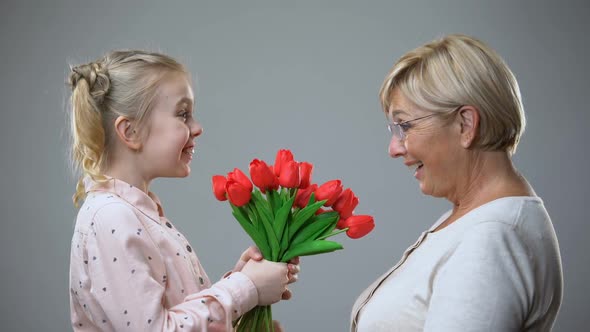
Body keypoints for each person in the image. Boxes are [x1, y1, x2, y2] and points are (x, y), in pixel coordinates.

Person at [67, 50, 299, 331]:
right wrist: (245, 288)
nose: (198, 127)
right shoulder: (110, 217)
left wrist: (243, 281)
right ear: (130, 132)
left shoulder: (137, 212)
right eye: (183, 114)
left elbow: (175, 313)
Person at [351, 34, 563, 331]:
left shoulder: (492, 239)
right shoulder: (478, 218)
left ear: (465, 124)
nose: (394, 148)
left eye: (405, 126)